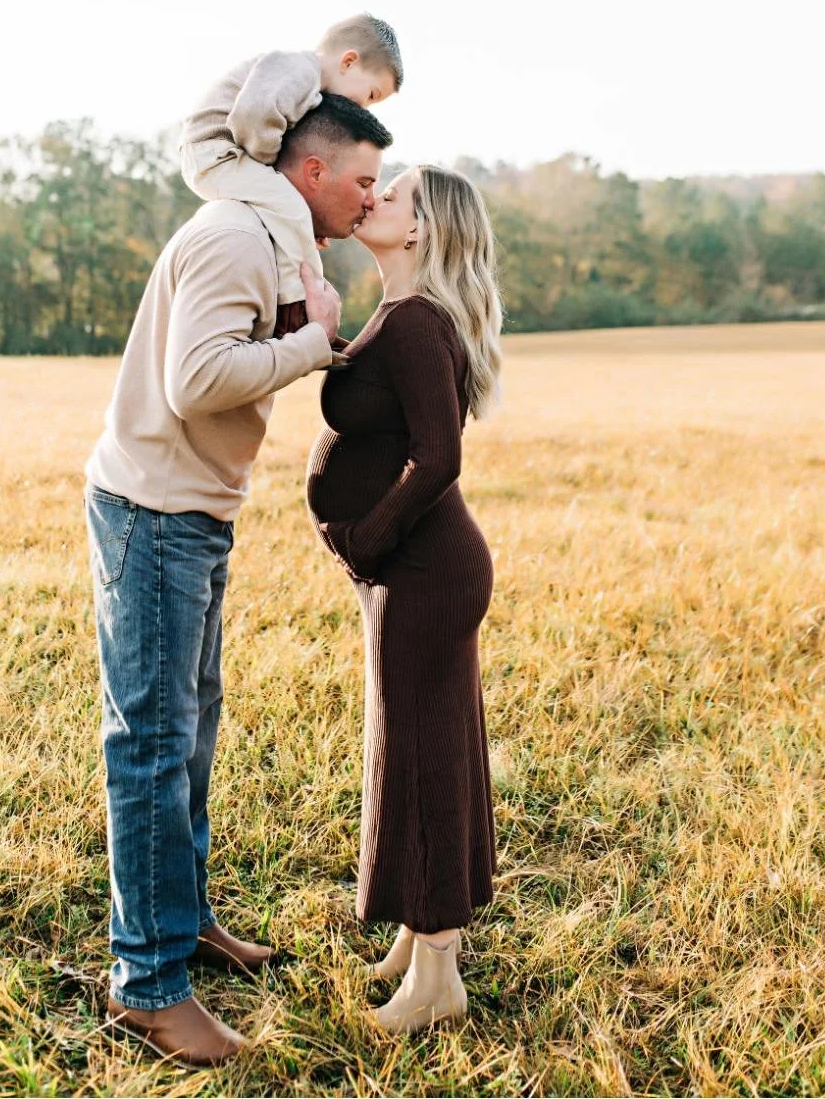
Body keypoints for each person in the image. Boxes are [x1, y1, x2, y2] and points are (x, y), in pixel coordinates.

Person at [84, 94, 392, 1066]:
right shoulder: (233, 239)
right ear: (311, 173)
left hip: (195, 512)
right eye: (363, 180)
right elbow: (195, 379)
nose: (369, 198)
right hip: (157, 512)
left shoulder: (275, 238)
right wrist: (310, 346)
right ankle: (148, 984)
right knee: (154, 742)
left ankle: (184, 920)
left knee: (193, 731)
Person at [306, 164, 504, 1035]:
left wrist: (367, 537)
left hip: (424, 568)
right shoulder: (400, 314)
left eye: (393, 194)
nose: (373, 195)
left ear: (421, 230)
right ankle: (421, 941)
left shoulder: (419, 322)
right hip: (415, 568)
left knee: (425, 759)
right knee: (418, 744)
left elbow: (440, 458)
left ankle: (438, 983)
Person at [179, 13, 402, 338]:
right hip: (213, 151)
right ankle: (300, 307)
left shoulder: (306, 83)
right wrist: (275, 175)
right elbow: (252, 117)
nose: (365, 109)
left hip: (222, 154)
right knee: (291, 207)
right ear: (349, 62)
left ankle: (291, 308)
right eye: (370, 95)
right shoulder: (296, 70)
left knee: (288, 211)